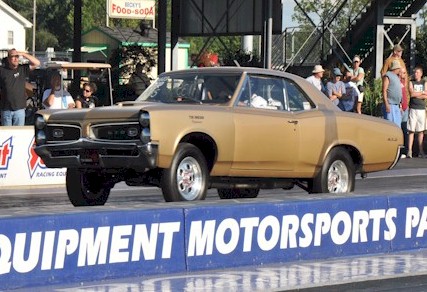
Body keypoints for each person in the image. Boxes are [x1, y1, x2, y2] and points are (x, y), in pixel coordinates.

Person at [0, 49, 40, 126]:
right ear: (8, 59)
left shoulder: (22, 69)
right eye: (13, 56)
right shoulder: (2, 70)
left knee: (18, 135)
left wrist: (23, 54)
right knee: (7, 135)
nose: (16, 59)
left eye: (17, 56)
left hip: (19, 109)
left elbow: (37, 63)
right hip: (6, 110)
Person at [407, 66, 427, 158]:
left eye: (417, 72)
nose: (416, 74)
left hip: (421, 109)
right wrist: (421, 93)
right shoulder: (411, 82)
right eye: (415, 72)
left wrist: (417, 94)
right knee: (411, 130)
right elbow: (411, 94)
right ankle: (409, 150)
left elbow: (426, 96)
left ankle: (421, 151)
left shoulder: (424, 82)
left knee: (421, 131)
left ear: (421, 74)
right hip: (413, 108)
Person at [382, 60, 403, 127]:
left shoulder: (397, 77)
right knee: (390, 126)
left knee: (397, 126)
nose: (399, 69)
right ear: (395, 68)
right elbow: (384, 90)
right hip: (390, 104)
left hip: (396, 105)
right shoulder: (388, 75)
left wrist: (400, 105)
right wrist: (386, 104)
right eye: (398, 68)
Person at [399, 67, 410, 158]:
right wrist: (400, 105)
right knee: (400, 129)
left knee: (405, 129)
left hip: (406, 108)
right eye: (402, 73)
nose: (404, 75)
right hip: (400, 108)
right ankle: (400, 150)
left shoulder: (404, 83)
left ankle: (405, 150)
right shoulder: (397, 82)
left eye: (405, 73)